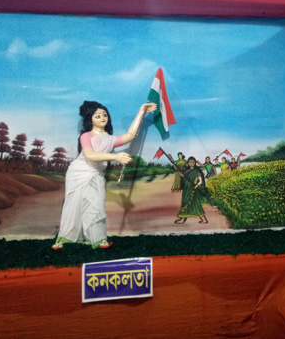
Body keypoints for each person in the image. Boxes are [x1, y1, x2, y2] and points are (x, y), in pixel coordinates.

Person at [52, 100, 156, 250]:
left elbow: (130, 135)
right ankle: (66, 238)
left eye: (104, 115)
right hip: (78, 173)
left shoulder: (110, 139)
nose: (102, 118)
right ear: (90, 119)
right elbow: (90, 155)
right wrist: (115, 157)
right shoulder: (86, 136)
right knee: (74, 205)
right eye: (97, 116)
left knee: (96, 203)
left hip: (96, 174)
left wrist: (142, 112)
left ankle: (98, 239)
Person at [174, 156, 211, 224]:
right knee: (185, 203)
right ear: (188, 163)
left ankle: (204, 219)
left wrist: (196, 185)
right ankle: (183, 218)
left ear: (194, 163)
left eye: (193, 162)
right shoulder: (186, 171)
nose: (191, 163)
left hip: (193, 190)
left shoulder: (196, 172)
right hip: (186, 190)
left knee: (196, 204)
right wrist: (176, 168)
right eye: (190, 162)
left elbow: (200, 181)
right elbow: (182, 175)